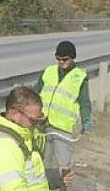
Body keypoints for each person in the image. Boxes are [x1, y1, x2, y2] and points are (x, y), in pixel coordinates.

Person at [34, 41, 93, 173]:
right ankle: (44, 190)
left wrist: (86, 119)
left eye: (65, 59)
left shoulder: (79, 78)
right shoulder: (49, 71)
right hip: (42, 124)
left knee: (63, 165)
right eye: (58, 59)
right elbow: (35, 93)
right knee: (41, 162)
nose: (61, 62)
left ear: (72, 58)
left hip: (62, 129)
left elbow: (85, 102)